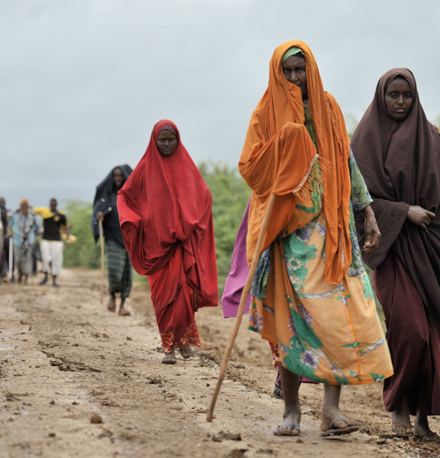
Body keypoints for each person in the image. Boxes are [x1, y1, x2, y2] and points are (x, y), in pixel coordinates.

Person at [239, 41, 393, 437]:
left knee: (339, 318)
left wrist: (367, 210)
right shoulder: (266, 111)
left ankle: (331, 411)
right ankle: (291, 411)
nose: (294, 78)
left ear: (312, 71)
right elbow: (251, 169)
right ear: (277, 73)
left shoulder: (328, 107)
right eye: (287, 71)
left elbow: (345, 159)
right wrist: (287, 141)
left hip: (334, 230)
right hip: (289, 234)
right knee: (292, 321)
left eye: (300, 70)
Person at [351, 68, 440, 441]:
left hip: (430, 247)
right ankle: (398, 404)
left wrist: (423, 216)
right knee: (409, 330)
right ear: (381, 97)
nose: (400, 102)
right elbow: (359, 198)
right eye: (394, 95)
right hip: (391, 247)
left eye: (407, 95)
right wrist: (405, 211)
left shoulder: (432, 139)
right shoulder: (365, 139)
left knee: (433, 336)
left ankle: (421, 419)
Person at [117, 120, 218, 364]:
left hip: (182, 245)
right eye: (162, 140)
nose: (166, 144)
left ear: (178, 140)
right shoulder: (144, 169)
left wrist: (190, 221)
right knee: (162, 299)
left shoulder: (187, 167)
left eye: (170, 140)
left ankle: (182, 343)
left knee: (183, 295)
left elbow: (204, 196)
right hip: (157, 246)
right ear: (154, 141)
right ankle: (168, 347)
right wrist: (136, 220)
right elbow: (125, 196)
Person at [93, 165, 133, 316]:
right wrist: (100, 215)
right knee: (114, 270)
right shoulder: (107, 195)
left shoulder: (129, 195)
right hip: (112, 238)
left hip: (129, 239)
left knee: (126, 273)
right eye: (115, 176)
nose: (117, 179)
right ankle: (112, 297)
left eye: (120, 176)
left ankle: (122, 304)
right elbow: (98, 210)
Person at [35, 198, 69, 287]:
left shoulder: (61, 215)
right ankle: (46, 276)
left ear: (56, 204)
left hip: (56, 241)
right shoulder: (44, 212)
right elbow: (32, 211)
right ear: (49, 204)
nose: (52, 205)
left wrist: (68, 239)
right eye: (51, 204)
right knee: (45, 259)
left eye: (54, 204)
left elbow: (66, 227)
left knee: (56, 260)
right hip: (45, 240)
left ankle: (54, 280)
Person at [10, 199, 40, 284]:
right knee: (18, 260)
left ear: (27, 206)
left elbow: (37, 227)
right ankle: (20, 274)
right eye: (22, 205)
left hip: (29, 241)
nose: (24, 206)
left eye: (25, 205)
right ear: (20, 206)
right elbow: (10, 224)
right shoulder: (15, 215)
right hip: (17, 241)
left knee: (27, 260)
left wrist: (36, 237)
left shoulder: (32, 215)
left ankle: (26, 277)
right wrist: (9, 233)